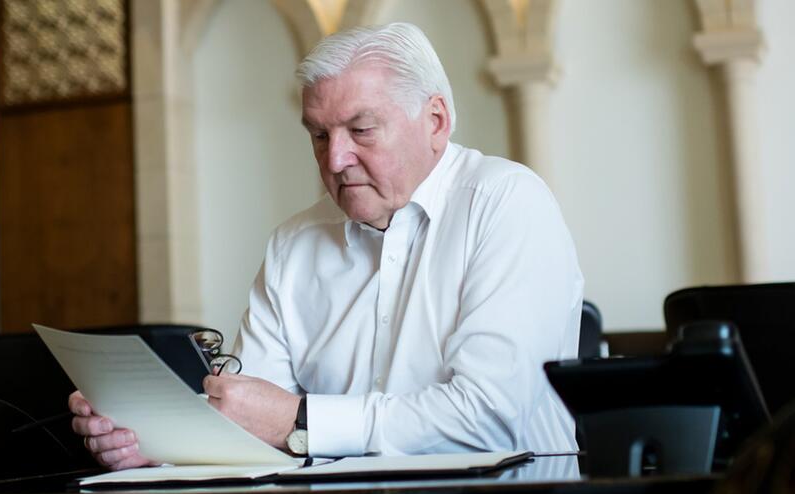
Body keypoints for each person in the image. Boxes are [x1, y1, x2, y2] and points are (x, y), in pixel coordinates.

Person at [69, 22, 584, 471]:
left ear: (436, 122)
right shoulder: (294, 243)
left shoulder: (507, 203)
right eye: (319, 135)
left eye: (360, 130)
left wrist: (301, 418)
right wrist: (154, 444)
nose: (335, 159)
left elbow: (487, 419)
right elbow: (249, 418)